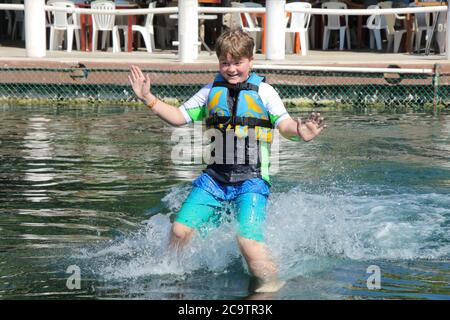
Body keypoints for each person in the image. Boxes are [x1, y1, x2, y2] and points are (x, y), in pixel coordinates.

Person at [128, 28, 325, 293]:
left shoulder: (264, 92)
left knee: (248, 243)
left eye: (237, 62)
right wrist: (148, 99)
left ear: (251, 61)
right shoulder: (211, 91)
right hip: (214, 179)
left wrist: (301, 132)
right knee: (179, 230)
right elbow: (177, 117)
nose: (231, 69)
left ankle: (270, 287)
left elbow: (285, 124)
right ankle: (171, 277)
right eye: (225, 62)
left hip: (251, 182)